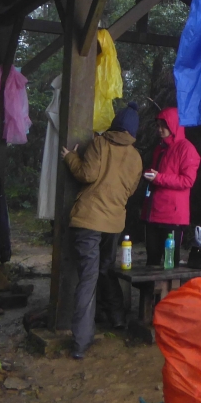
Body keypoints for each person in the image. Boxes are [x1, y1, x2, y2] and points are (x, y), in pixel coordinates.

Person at [61, 101, 143, 358]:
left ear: (115, 124)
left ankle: (81, 341)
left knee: (88, 276)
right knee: (105, 270)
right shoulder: (136, 157)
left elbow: (86, 174)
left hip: (89, 221)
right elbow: (130, 191)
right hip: (114, 223)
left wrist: (70, 157)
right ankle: (117, 317)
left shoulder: (100, 143)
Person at [142, 107, 201, 266]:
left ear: (174, 125)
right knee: (151, 261)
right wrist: (151, 175)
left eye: (164, 125)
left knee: (171, 264)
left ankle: (173, 292)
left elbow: (188, 180)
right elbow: (159, 175)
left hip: (172, 215)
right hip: (153, 212)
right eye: (158, 125)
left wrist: (158, 178)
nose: (160, 129)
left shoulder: (186, 149)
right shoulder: (160, 148)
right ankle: (147, 292)